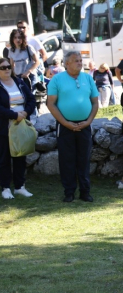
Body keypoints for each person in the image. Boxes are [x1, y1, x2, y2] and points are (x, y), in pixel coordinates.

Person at [47, 51, 99, 202]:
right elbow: (50, 104)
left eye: (80, 60)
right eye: (76, 60)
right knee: (67, 160)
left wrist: (89, 121)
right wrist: (66, 123)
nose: (79, 62)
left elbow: (95, 102)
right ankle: (69, 192)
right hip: (64, 126)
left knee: (84, 160)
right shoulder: (57, 80)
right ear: (66, 64)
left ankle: (85, 192)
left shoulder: (88, 78)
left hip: (85, 125)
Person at [0, 57, 36, 199]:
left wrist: (26, 112)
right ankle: (6, 188)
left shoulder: (19, 82)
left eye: (8, 66)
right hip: (4, 127)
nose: (7, 69)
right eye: (3, 67)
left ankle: (20, 186)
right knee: (4, 158)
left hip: (21, 124)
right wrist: (14, 115)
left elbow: (31, 99)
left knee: (21, 156)